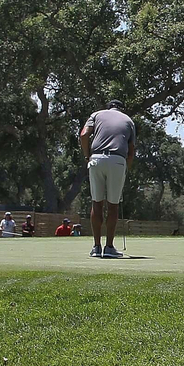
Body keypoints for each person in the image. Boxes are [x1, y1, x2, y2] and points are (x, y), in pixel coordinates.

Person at [82, 99, 137, 259]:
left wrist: (87, 155)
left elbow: (84, 134)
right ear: (121, 109)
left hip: (96, 158)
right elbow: (131, 151)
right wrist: (127, 168)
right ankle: (109, 247)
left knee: (96, 203)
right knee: (113, 205)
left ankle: (96, 247)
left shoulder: (96, 115)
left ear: (109, 108)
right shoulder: (128, 120)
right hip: (117, 160)